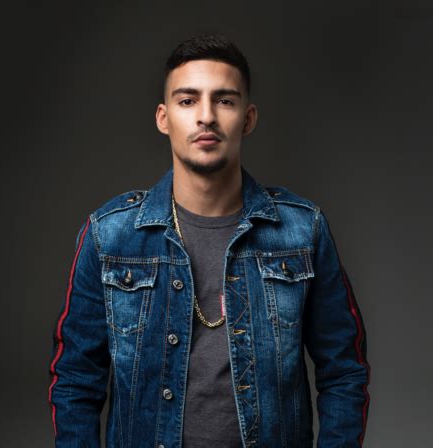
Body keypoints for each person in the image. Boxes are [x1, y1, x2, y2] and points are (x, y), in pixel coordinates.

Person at [48, 33, 370, 448]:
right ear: (163, 118)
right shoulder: (110, 236)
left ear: (248, 118)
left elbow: (344, 371)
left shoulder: (302, 231)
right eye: (187, 100)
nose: (206, 117)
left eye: (225, 100)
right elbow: (74, 380)